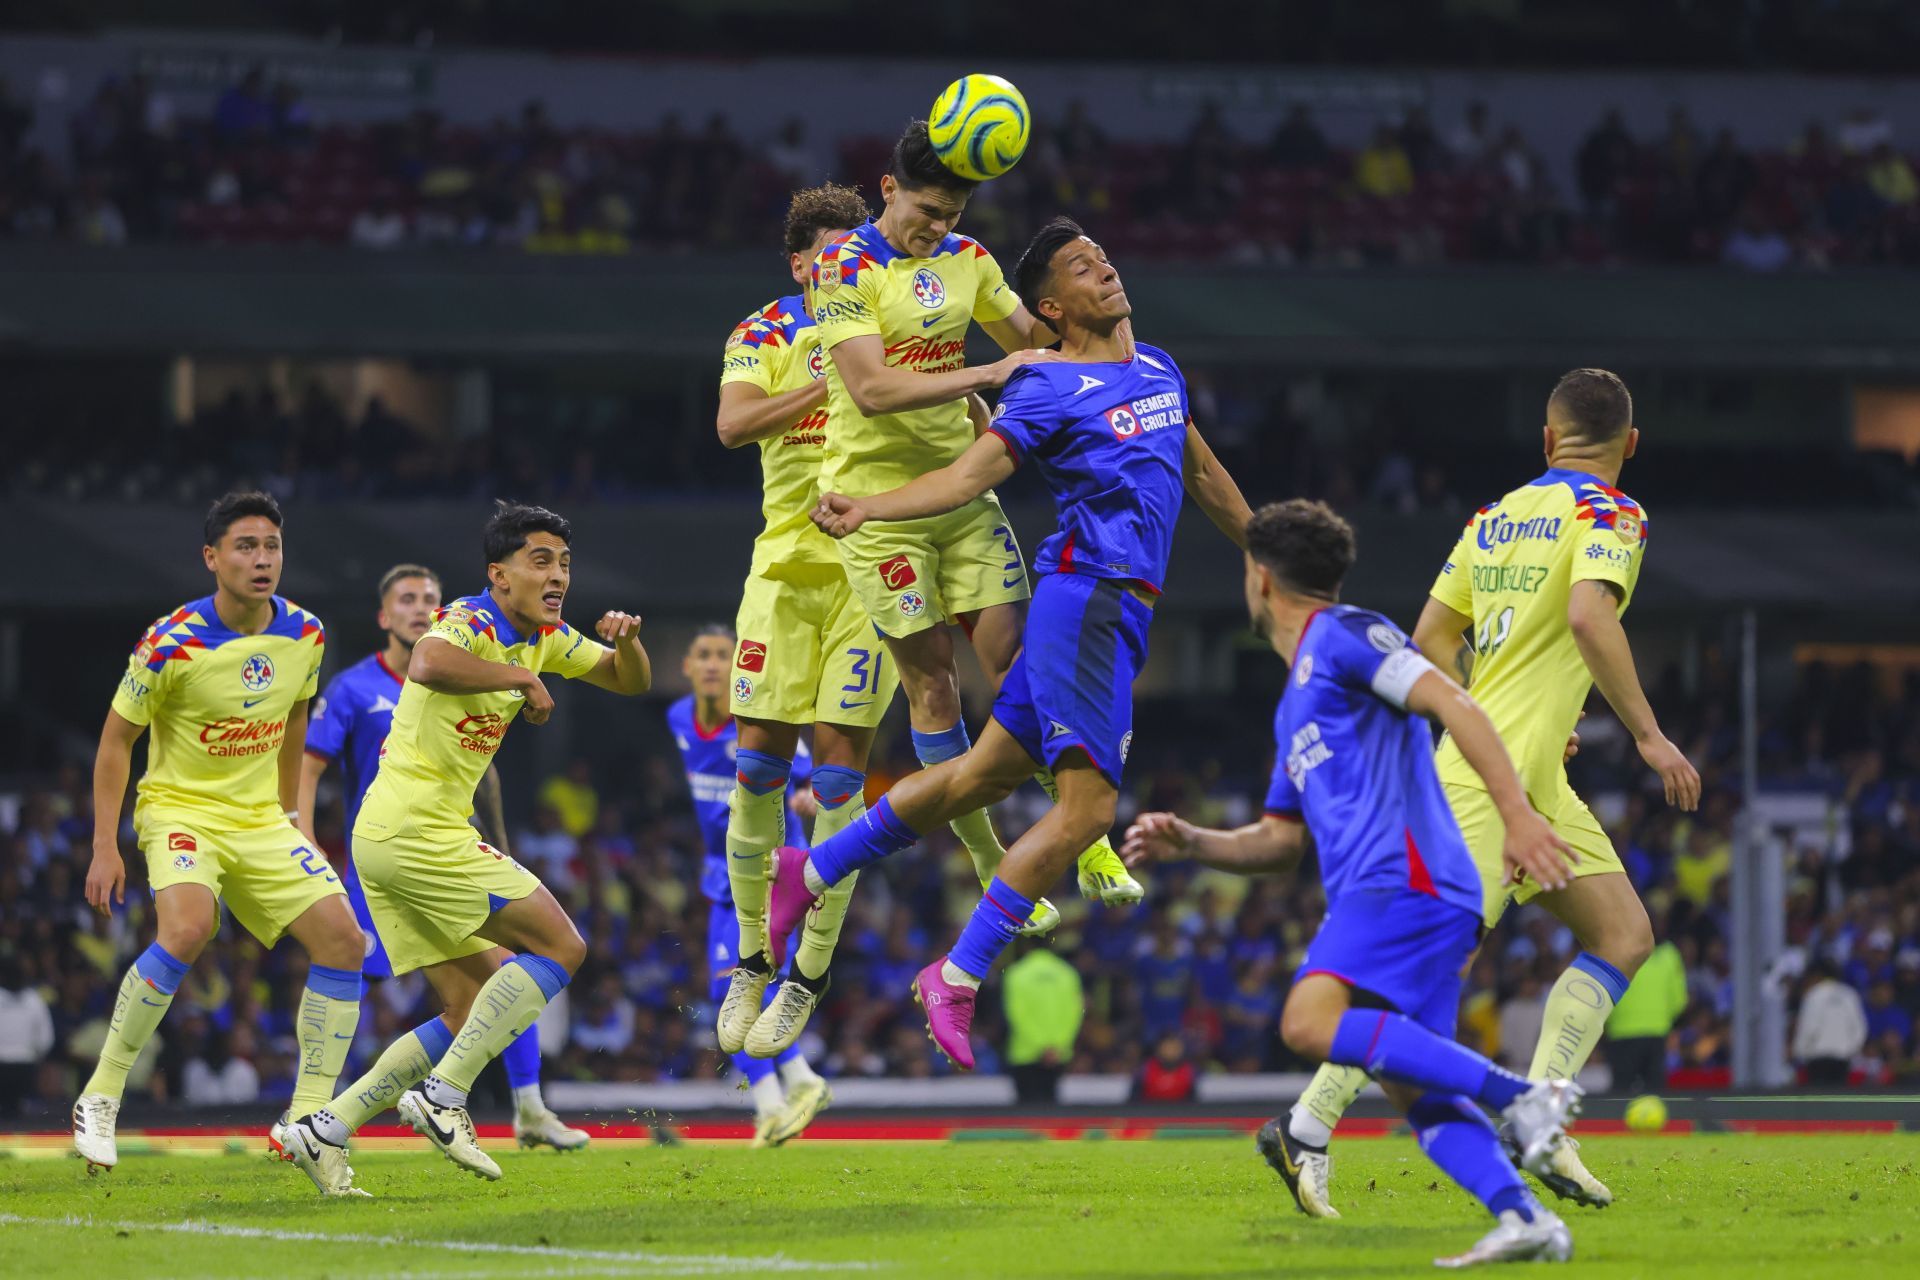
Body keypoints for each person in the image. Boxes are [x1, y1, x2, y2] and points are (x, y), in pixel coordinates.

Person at [768, 216, 1253, 1069]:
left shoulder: (1159, 368)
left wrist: (1269, 557)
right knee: (1088, 811)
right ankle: (956, 976)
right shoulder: (1045, 386)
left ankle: (807, 872)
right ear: (1050, 308)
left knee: (979, 776)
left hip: (1119, 607)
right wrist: (868, 509)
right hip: (1087, 600)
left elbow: (1204, 474)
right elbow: (965, 476)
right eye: (1079, 266)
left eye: (1102, 253)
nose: (1103, 265)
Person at [1283, 368, 1702, 1212]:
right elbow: (1590, 616)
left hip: (1530, 771)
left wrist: (1512, 704)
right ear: (1630, 444)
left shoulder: (1494, 516)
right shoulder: (1612, 512)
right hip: (1488, 779)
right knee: (1426, 966)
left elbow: (1434, 636)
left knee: (1622, 934)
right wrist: (1650, 736)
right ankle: (1305, 1125)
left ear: (1547, 442)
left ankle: (1543, 1112)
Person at [1123, 498, 1582, 1267]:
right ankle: (1525, 1216)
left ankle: (1522, 1098)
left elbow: (1453, 700)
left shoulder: (1346, 634)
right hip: (1403, 890)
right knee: (1413, 1085)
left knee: (1307, 1022)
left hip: (1403, 880)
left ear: (1259, 578)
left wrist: (1520, 815)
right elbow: (1278, 842)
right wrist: (1192, 841)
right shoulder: (1299, 695)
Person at [808, 122, 1142, 930]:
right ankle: (992, 861)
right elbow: (872, 390)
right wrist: (990, 372)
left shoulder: (971, 261)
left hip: (961, 495)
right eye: (925, 210)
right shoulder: (843, 264)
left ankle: (1080, 835)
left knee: (1018, 661)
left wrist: (1115, 345)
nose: (937, 227)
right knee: (933, 685)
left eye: (951, 213)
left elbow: (1039, 343)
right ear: (887, 189)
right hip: (876, 505)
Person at [280, 502, 650, 1196]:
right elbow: (427, 660)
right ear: (498, 574)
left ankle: (322, 1129)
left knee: (464, 1005)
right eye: (540, 560)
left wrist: (626, 641)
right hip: (417, 830)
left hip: (393, 837)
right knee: (561, 948)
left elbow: (630, 681)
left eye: (564, 562)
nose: (557, 575)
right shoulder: (473, 619)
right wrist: (520, 678)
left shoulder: (547, 634)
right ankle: (445, 1097)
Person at [75, 492, 365, 1169]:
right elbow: (117, 741)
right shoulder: (171, 641)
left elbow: (294, 720)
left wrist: (295, 818)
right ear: (212, 558)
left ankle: (308, 1126)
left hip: (262, 820)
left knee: (344, 941)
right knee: (187, 928)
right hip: (182, 812)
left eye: (272, 547)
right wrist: (102, 844)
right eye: (245, 546)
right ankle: (102, 1093)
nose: (262, 560)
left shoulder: (306, 634)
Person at [708, 184, 923, 1062]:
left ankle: (808, 973)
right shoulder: (763, 333)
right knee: (758, 768)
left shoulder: (885, 329)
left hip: (864, 572)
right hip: (782, 577)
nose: (848, 270)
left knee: (838, 781)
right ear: (801, 264)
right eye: (833, 257)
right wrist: (826, 388)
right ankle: (752, 960)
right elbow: (732, 425)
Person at [296, 562, 585, 1152]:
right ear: (384, 616)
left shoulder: (472, 668)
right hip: (406, 843)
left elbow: (488, 778)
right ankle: (430, 1095)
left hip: (427, 843)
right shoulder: (361, 685)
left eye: (429, 597)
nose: (420, 606)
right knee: (543, 953)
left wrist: (501, 848)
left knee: (475, 995)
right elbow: (311, 764)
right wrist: (301, 836)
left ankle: (324, 1128)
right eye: (406, 598)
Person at [669, 626, 832, 1145]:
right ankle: (797, 1084)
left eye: (725, 656)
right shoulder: (678, 719)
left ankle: (774, 1102)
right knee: (734, 991)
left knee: (734, 987)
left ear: (740, 666)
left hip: (770, 873)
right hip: (723, 877)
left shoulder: (762, 721)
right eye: (705, 655)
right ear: (688, 667)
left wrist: (808, 798)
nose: (715, 665)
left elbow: (810, 780)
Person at [1002, 938, 1084, 1104]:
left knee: (1026, 1116)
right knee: (1051, 1114)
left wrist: (1040, 1046)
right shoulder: (1067, 973)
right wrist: (1057, 1045)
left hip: (1025, 1053)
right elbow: (1074, 1014)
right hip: (1058, 1054)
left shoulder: (1017, 973)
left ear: (1026, 945)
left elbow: (1017, 1014)